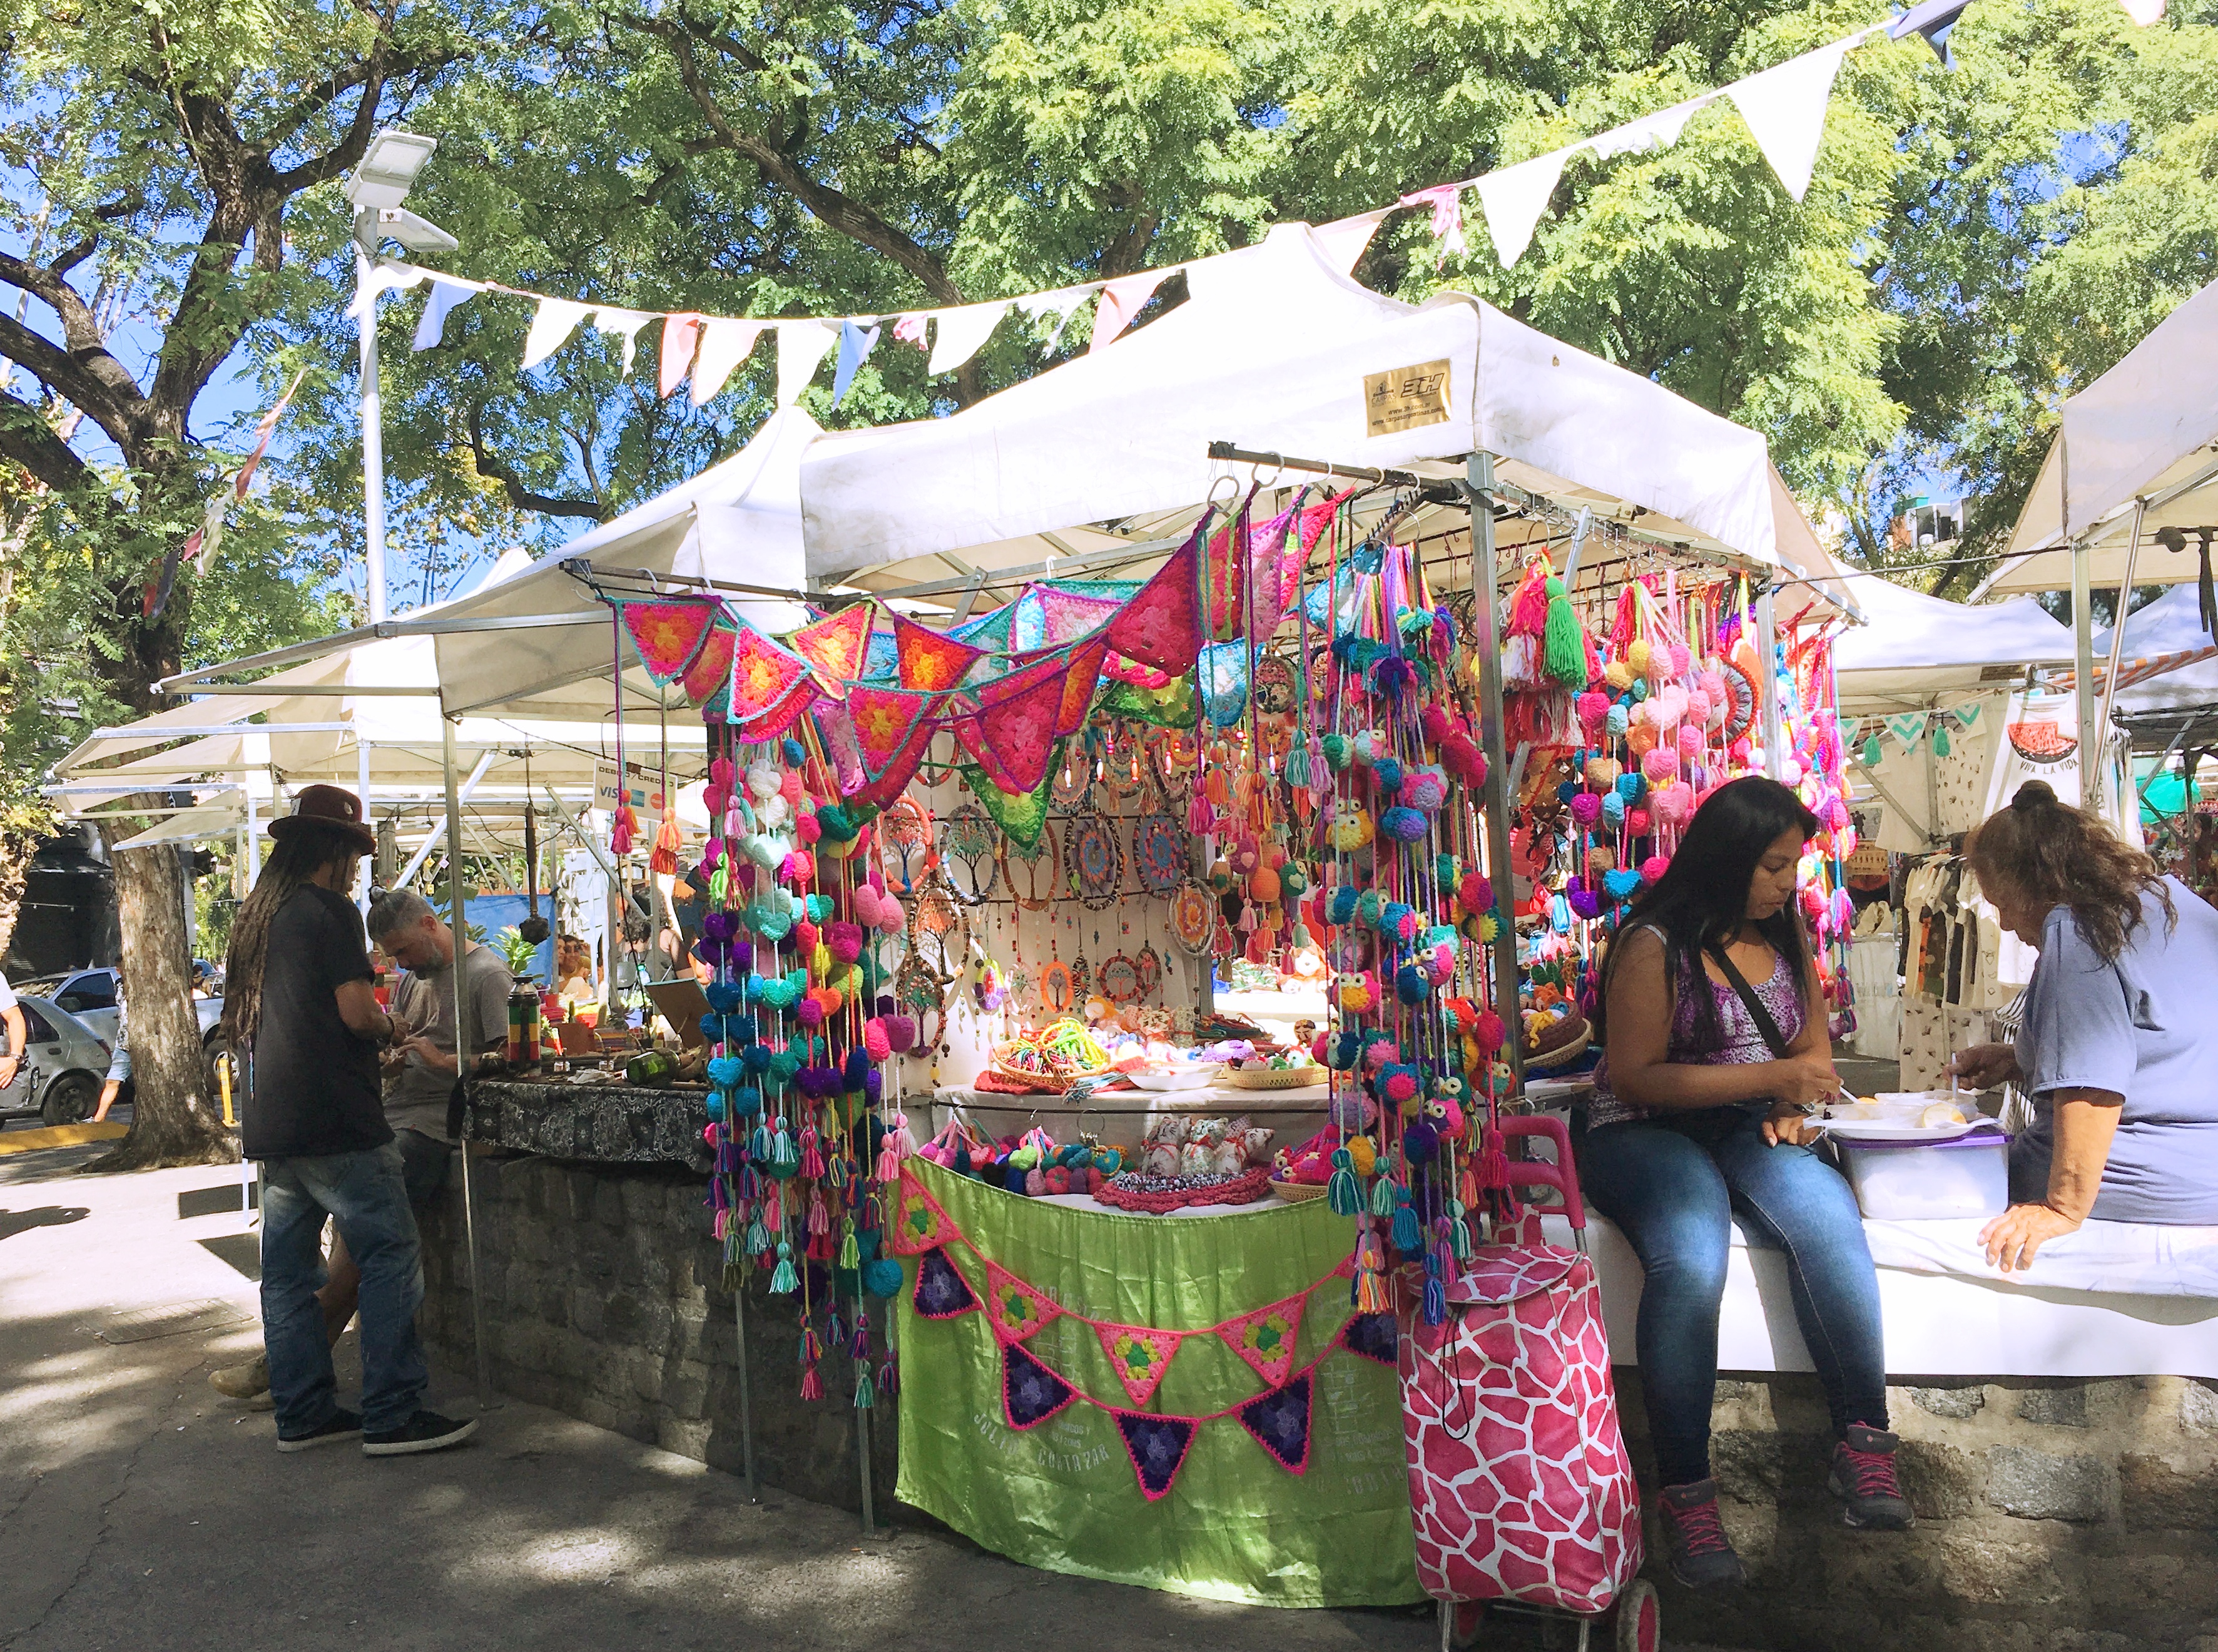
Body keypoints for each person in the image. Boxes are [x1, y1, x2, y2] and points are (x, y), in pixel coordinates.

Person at [1576, 776, 1909, 1588]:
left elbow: (1814, 1057)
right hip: (1641, 1129)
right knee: (1691, 1248)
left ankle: (1863, 1442)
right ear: (1727, 859)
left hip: (1750, 1121)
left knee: (1827, 1216)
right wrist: (1772, 1077)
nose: (1787, 882)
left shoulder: (1785, 930)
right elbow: (1635, 1078)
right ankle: (1685, 1493)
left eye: (1792, 864)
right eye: (1772, 865)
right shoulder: (1652, 943)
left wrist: (1801, 1103)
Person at [220, 784, 476, 1457]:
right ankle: (393, 1411)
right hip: (336, 1115)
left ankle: (301, 1412)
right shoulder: (328, 912)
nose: (358, 869)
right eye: (355, 855)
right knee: (389, 1252)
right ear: (334, 852)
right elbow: (357, 1014)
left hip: (274, 1117)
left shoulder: (257, 917)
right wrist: (391, 1028)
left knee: (286, 1274)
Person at [1951, 780, 2218, 1264]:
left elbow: (2091, 1088)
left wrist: (2060, 1209)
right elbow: (2165, 1048)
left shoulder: (2076, 931)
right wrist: (2019, 1062)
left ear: (2034, 888)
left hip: (2149, 1189)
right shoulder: (2169, 900)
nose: (2005, 925)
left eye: (2000, 905)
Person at [91, 997, 126, 1123]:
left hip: (149, 1043)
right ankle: (99, 1119)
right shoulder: (121, 986)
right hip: (124, 1044)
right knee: (112, 1081)